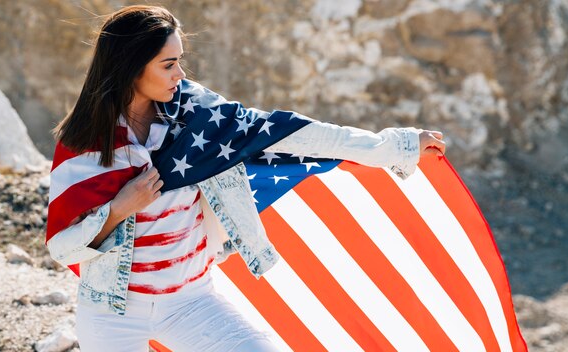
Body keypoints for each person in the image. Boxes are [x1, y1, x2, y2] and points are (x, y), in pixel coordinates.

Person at [45, 5, 446, 352]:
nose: (180, 75)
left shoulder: (200, 115)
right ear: (131, 68)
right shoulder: (85, 142)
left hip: (191, 299)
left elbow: (289, 130)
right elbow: (63, 249)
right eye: (168, 65)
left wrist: (393, 146)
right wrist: (118, 209)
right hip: (111, 311)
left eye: (180, 61)